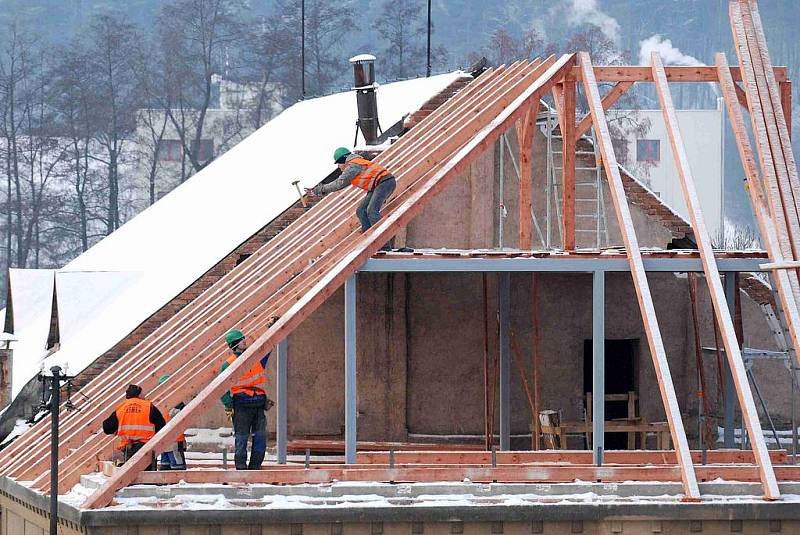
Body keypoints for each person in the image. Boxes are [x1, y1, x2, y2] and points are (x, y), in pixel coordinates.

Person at [306, 147, 397, 248]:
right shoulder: (355, 165)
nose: (339, 167)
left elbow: (339, 183)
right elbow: (341, 183)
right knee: (361, 211)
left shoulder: (353, 166)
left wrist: (319, 189)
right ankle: (369, 241)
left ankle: (384, 246)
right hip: (377, 185)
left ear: (343, 160)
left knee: (372, 211)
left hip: (384, 182)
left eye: (339, 163)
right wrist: (318, 190)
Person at [220, 327, 274, 470]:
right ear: (234, 345)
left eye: (244, 339)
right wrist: (228, 405)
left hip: (258, 404)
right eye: (241, 340)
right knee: (242, 438)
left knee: (260, 438)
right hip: (241, 406)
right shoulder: (228, 364)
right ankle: (241, 468)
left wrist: (271, 329)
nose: (244, 342)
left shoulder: (255, 358)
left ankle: (255, 467)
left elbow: (268, 347)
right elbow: (221, 387)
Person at [102, 384, 166, 470]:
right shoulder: (149, 407)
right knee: (148, 477)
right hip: (146, 447)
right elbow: (162, 425)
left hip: (128, 447)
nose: (144, 396)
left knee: (130, 476)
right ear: (139, 394)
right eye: (143, 394)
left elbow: (107, 428)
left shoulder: (121, 408)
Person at [157, 374, 187, 471]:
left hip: (166, 440)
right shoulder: (176, 401)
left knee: (168, 468)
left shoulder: (160, 401)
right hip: (173, 440)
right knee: (176, 470)